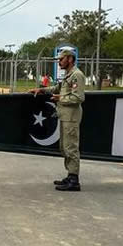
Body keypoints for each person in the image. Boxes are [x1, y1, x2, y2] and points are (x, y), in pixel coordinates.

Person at [29, 49, 85, 192]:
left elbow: (78, 97)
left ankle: (74, 180)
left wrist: (61, 98)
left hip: (71, 117)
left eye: (61, 59)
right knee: (64, 147)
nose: (59, 62)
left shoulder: (76, 75)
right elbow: (57, 88)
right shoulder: (68, 75)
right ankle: (70, 175)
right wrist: (41, 90)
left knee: (71, 147)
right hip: (65, 116)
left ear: (70, 59)